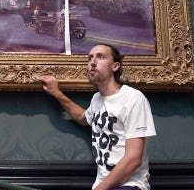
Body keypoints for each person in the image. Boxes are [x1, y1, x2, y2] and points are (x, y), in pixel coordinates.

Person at [41, 44, 156, 190]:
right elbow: (83, 117)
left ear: (115, 66)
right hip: (104, 184)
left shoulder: (133, 98)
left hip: (130, 185)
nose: (92, 62)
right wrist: (56, 93)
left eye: (100, 57)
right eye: (90, 58)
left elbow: (133, 159)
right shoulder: (97, 99)